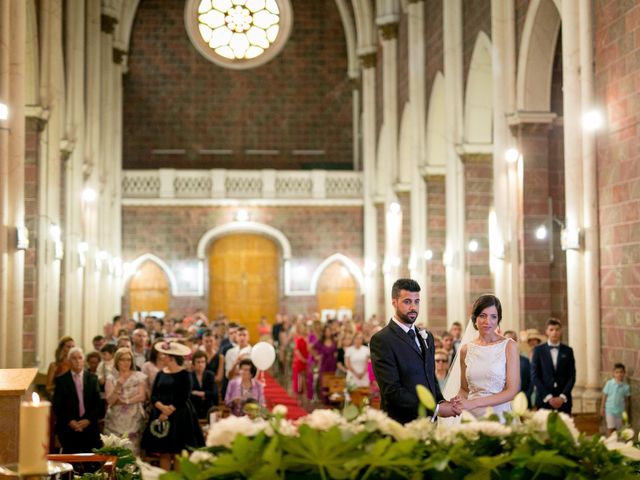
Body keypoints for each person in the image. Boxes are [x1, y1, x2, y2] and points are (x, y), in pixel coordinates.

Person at [370, 278, 460, 424]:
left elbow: (430, 378)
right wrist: (435, 409)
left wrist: (442, 402)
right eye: (407, 302)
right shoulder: (382, 340)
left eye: (417, 301)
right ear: (394, 302)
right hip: (401, 424)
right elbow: (392, 391)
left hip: (429, 423)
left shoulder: (427, 337)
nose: (413, 307)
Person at [450, 295, 520, 420]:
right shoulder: (466, 350)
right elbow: (465, 389)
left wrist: (474, 403)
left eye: (493, 316)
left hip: (499, 416)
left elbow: (512, 391)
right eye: (483, 315)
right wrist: (458, 400)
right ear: (475, 319)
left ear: (498, 320)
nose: (488, 321)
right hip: (472, 417)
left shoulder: (509, 346)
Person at [141, 340, 204, 471]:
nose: (161, 357)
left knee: (177, 452)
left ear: (171, 358)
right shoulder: (160, 373)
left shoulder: (185, 374)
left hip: (180, 416)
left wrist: (168, 411)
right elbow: (154, 395)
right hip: (160, 413)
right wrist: (162, 408)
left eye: (164, 355)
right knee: (164, 451)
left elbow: (184, 396)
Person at [52, 348, 102, 453]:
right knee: (71, 463)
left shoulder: (93, 378)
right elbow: (58, 405)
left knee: (91, 463)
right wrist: (70, 421)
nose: (77, 361)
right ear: (69, 361)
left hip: (89, 426)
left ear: (84, 360)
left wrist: (88, 420)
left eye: (80, 358)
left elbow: (97, 403)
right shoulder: (61, 380)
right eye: (74, 358)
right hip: (69, 427)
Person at [104, 348, 148, 455]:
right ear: (117, 361)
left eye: (128, 360)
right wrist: (118, 385)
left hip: (133, 417)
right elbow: (110, 400)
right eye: (122, 360)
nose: (126, 362)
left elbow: (142, 396)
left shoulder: (139, 376)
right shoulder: (111, 378)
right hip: (115, 419)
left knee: (131, 450)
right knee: (115, 450)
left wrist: (125, 401)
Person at [531, 318, 576, 414]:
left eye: (557, 329)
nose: (554, 332)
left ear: (561, 331)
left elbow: (571, 376)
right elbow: (535, 376)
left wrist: (562, 396)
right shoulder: (538, 350)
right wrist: (548, 397)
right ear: (546, 331)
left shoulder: (568, 351)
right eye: (551, 330)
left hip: (564, 402)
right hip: (544, 401)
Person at [601, 363, 631, 435]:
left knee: (619, 430)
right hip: (610, 409)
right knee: (610, 428)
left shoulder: (626, 387)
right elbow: (604, 396)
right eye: (617, 372)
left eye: (621, 372)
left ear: (624, 373)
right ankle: (609, 444)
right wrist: (602, 407)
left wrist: (626, 411)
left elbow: (626, 400)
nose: (619, 374)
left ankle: (616, 444)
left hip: (620, 411)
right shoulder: (609, 383)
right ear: (613, 373)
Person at [504, 330, 533, 407]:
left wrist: (524, 397)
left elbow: (531, 381)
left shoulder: (525, 361)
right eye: (508, 340)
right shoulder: (498, 362)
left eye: (513, 340)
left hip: (523, 403)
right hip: (504, 403)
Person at [190, 350, 217, 419]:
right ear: (193, 364)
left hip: (208, 408)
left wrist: (197, 393)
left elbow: (214, 394)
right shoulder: (189, 376)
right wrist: (205, 394)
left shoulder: (210, 375)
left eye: (203, 362)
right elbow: (188, 395)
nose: (200, 364)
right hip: (194, 409)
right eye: (198, 362)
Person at [291, 321, 309, 400]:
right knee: (299, 378)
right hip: (299, 360)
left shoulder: (308, 338)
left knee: (306, 377)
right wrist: (303, 359)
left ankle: (306, 393)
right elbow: (296, 351)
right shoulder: (297, 339)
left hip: (307, 360)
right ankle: (298, 395)